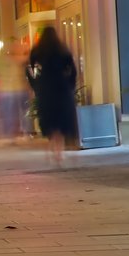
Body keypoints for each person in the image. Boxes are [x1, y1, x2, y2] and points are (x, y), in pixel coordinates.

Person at [27, 25, 79, 168]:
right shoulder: (62, 50)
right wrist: (70, 84)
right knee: (61, 119)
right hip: (61, 87)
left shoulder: (38, 51)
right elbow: (72, 69)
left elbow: (30, 68)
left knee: (50, 119)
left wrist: (35, 84)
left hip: (46, 87)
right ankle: (59, 152)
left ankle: (52, 149)